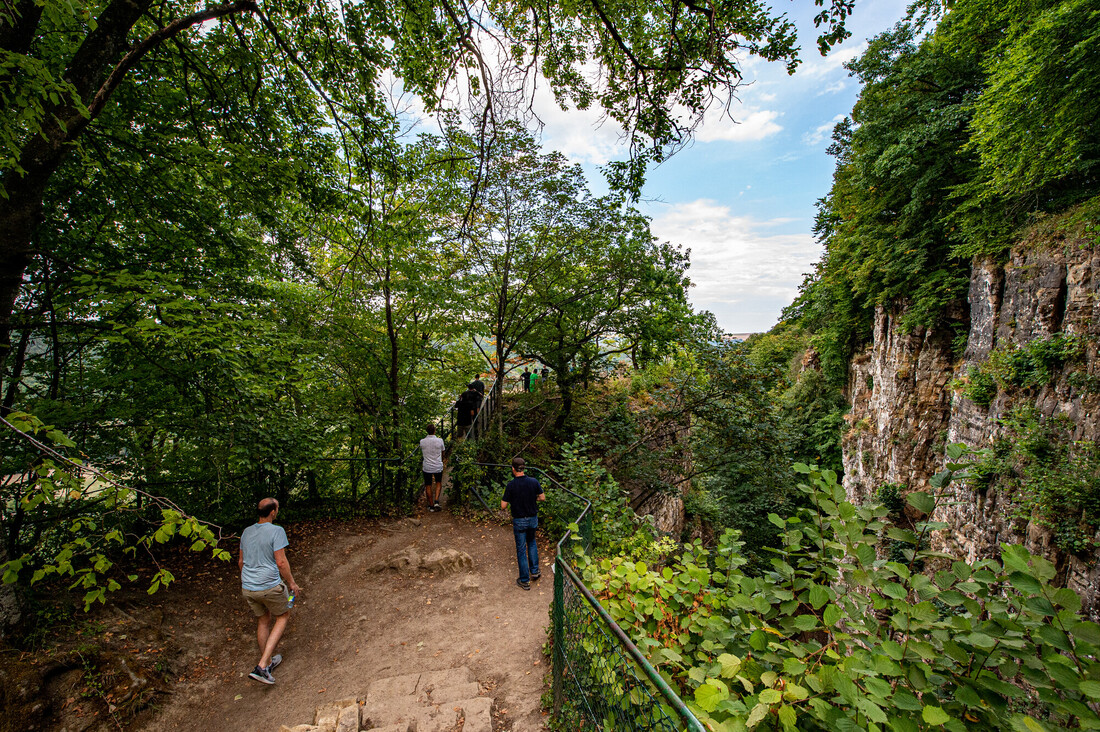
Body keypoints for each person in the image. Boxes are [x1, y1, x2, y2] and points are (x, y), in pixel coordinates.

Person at [239, 497, 300, 685]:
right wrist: (292, 583)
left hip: (248, 587)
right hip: (269, 585)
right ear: (273, 512)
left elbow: (241, 562)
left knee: (263, 620)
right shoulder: (277, 531)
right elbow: (281, 562)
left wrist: (250, 581)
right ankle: (263, 666)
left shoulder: (246, 532)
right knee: (282, 616)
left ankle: (268, 660)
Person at [501, 457, 545, 590]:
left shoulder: (511, 485)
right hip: (532, 519)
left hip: (519, 520)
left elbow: (503, 505)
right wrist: (533, 498)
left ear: (513, 469)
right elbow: (542, 497)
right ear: (524, 468)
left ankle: (525, 580)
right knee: (532, 543)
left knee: (521, 549)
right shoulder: (533, 482)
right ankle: (535, 571)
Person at [420, 423, 446, 511]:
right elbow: (443, 452)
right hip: (437, 465)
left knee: (428, 485)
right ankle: (436, 502)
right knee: (438, 482)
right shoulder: (440, 441)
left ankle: (431, 506)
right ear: (434, 431)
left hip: (427, 466)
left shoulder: (422, 441)